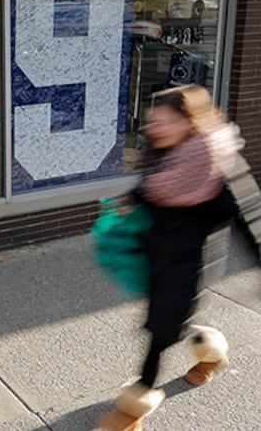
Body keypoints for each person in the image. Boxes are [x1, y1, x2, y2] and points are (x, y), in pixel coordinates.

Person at [96, 85, 240, 430]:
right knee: (171, 325)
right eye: (152, 122)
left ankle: (129, 414)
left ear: (190, 123)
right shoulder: (164, 153)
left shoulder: (212, 168)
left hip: (189, 267)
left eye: (165, 122)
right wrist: (133, 198)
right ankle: (211, 352)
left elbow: (246, 216)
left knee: (159, 335)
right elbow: (152, 188)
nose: (154, 129)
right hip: (157, 259)